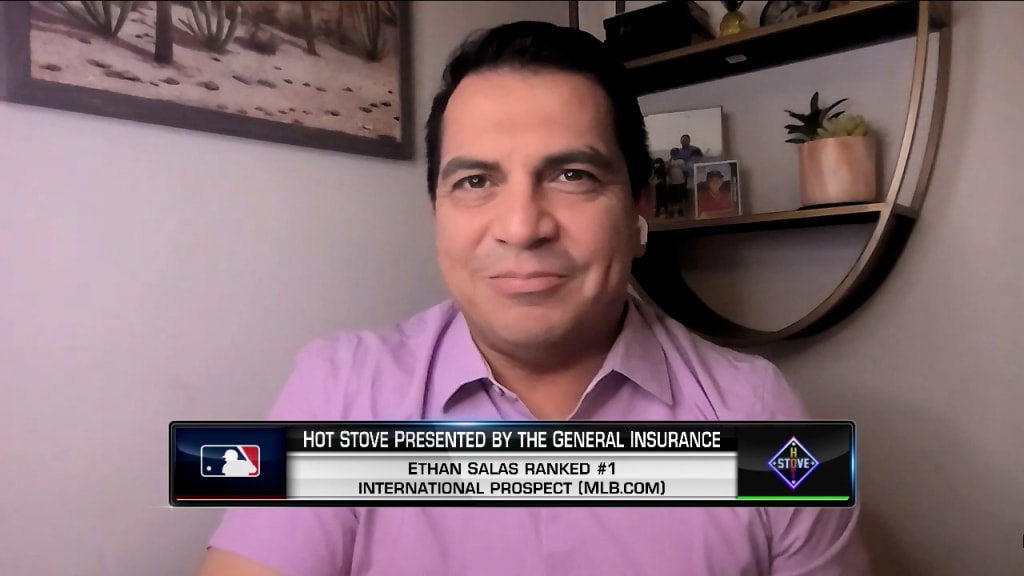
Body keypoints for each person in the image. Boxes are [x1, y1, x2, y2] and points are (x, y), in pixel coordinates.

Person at [195, 21, 868, 576]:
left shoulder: (760, 415)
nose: (521, 227)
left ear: (640, 208)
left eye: (572, 174)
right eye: (476, 181)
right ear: (437, 212)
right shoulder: (338, 391)